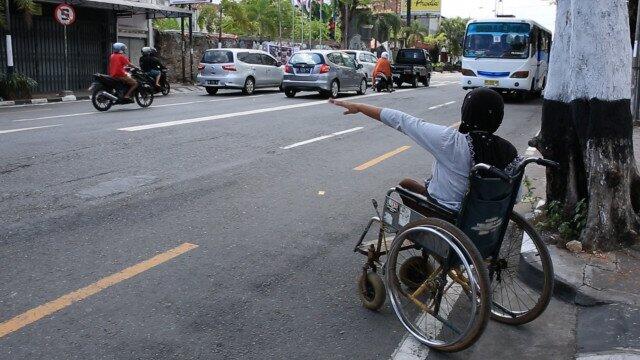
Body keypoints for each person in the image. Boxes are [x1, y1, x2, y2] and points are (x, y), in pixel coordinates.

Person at [329, 87, 519, 212]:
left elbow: (403, 121)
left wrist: (360, 106)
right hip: (486, 224)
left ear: (466, 111)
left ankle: (420, 238)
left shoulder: (452, 142)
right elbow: (516, 198)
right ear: (498, 118)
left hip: (448, 218)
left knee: (405, 185)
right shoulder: (509, 151)